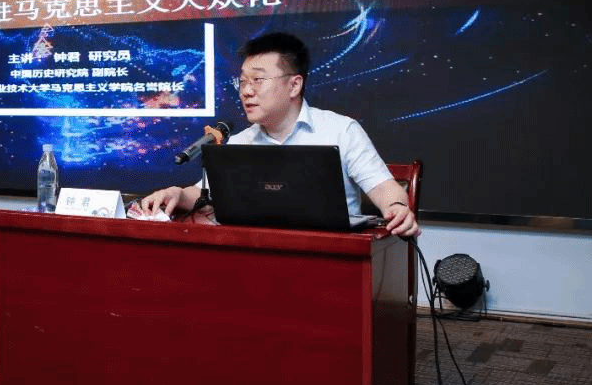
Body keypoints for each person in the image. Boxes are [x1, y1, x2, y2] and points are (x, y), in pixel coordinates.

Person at [140, 32, 420, 237]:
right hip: (258, 258)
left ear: (294, 85)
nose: (246, 91)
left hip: (333, 257)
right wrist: (176, 193)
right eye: (242, 81)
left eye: (258, 80)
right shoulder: (240, 143)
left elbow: (384, 188)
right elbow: (203, 193)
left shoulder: (341, 130)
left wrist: (397, 207)